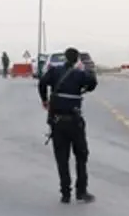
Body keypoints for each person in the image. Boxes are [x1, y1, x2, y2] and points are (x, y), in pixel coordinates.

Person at [38, 47, 97, 204]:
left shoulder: (55, 72)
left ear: (65, 58)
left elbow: (42, 82)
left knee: (62, 158)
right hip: (75, 122)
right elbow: (92, 83)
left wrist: (44, 100)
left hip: (57, 122)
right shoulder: (79, 74)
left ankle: (65, 193)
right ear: (77, 60)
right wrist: (87, 70)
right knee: (81, 156)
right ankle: (81, 192)